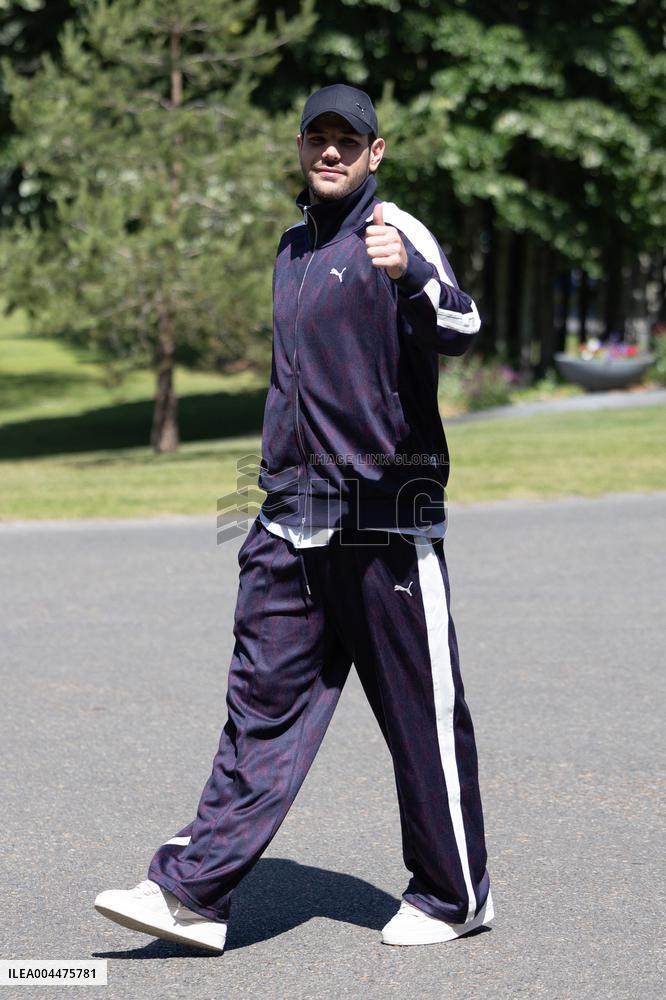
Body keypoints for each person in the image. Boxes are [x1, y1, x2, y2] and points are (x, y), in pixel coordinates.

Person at [94, 83, 493, 954]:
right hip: (289, 519)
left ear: (375, 154)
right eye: (318, 138)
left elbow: (463, 326)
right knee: (258, 712)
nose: (331, 152)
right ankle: (192, 893)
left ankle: (455, 894)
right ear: (302, 148)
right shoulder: (291, 246)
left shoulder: (398, 232)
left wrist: (415, 277)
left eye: (349, 141)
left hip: (386, 518)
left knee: (419, 716)